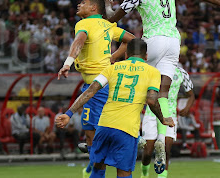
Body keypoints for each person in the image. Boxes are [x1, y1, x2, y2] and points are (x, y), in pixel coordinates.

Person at [105, 0, 220, 173]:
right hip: (173, 42)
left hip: (153, 40)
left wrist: (109, 6)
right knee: (162, 93)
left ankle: (130, 136)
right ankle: (163, 136)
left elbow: (112, 19)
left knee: (137, 85)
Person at [55, 38, 175, 178]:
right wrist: (162, 119)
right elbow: (151, 100)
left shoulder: (112, 68)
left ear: (126, 55)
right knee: (123, 173)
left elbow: (90, 91)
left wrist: (69, 114)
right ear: (146, 56)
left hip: (104, 125)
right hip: (127, 130)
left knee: (98, 169)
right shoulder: (152, 72)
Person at [57, 0, 135, 177]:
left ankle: (95, 160)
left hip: (97, 86)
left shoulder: (83, 24)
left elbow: (78, 41)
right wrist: (114, 57)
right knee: (99, 133)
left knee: (92, 135)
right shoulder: (109, 26)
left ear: (93, 8)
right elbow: (131, 40)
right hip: (108, 81)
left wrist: (68, 62)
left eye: (83, 2)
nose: (79, 4)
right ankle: (97, 155)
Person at [140, 66, 195, 178]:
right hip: (152, 113)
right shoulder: (153, 67)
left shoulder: (181, 72)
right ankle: (144, 173)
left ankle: (162, 176)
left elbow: (191, 95)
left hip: (170, 114)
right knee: (147, 152)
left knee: (166, 150)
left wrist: (187, 107)